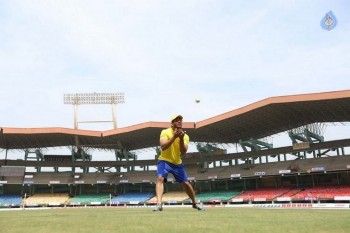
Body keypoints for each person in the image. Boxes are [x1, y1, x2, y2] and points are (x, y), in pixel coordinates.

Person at [153, 114, 205, 211]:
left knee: (186, 183)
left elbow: (183, 152)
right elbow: (163, 146)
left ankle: (195, 203)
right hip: (164, 160)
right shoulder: (165, 132)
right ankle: (159, 204)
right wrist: (174, 137)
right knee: (160, 178)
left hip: (177, 163)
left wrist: (180, 138)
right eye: (177, 120)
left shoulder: (185, 136)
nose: (179, 121)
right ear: (172, 123)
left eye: (181, 120)